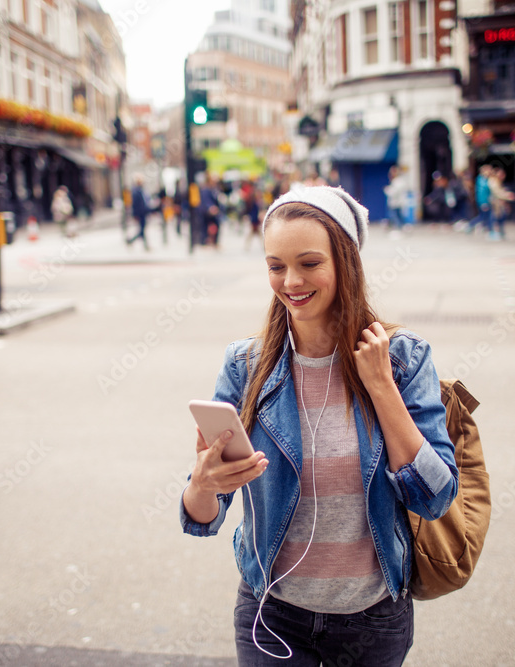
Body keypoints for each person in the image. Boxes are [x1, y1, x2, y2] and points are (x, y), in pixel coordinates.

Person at [180, 185, 459, 666]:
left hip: (372, 619)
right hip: (272, 613)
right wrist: (203, 484)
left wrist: (381, 387)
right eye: (275, 266)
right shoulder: (246, 366)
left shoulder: (403, 358)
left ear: (345, 263)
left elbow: (433, 498)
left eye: (309, 263)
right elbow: (201, 517)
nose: (291, 281)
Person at [126, 175, 150, 249]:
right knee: (142, 230)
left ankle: (134, 242)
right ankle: (132, 241)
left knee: (142, 230)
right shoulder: (136, 192)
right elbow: (135, 204)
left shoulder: (140, 191)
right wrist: (135, 214)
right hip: (140, 214)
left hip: (143, 213)